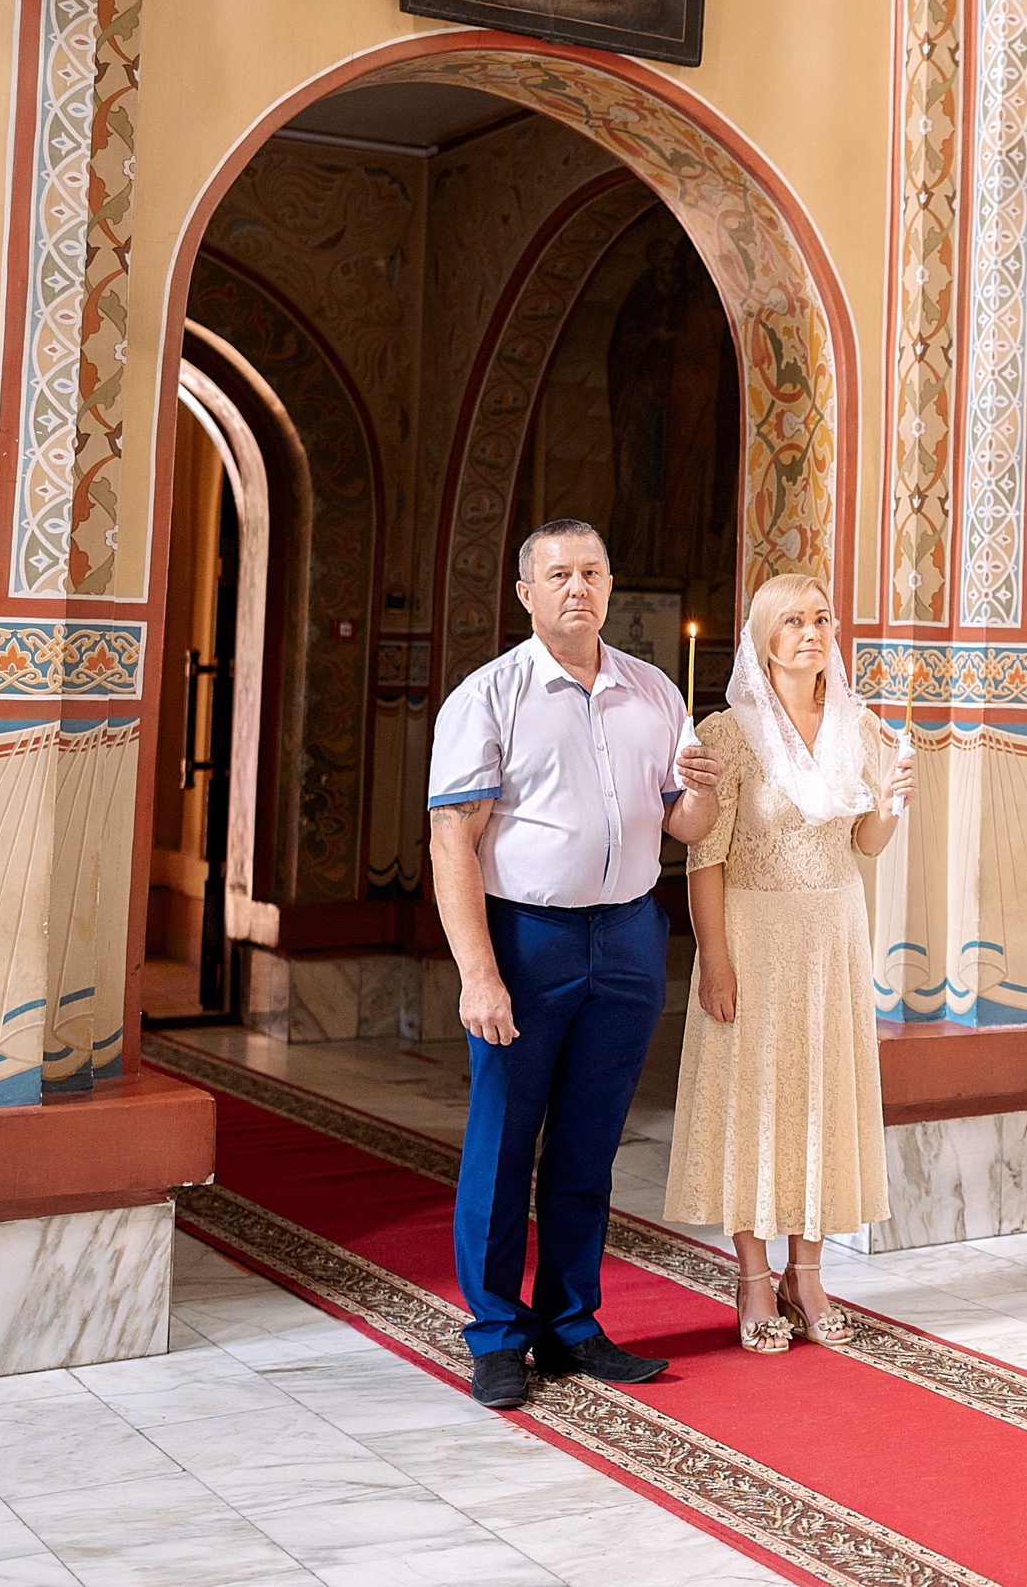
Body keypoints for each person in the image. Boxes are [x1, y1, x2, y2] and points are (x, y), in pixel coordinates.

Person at [426, 519, 721, 1410]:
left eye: (591, 571)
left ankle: (571, 1321)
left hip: (630, 934)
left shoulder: (655, 691)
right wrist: (480, 973)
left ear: (609, 581)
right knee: (505, 1140)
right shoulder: (489, 696)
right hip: (527, 937)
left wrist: (705, 793)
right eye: (558, 574)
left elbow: (684, 827)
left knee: (591, 1143)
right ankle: (495, 1334)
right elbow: (453, 844)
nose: (577, 588)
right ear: (526, 593)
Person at [663, 574, 912, 1352]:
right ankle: (751, 1277)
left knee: (820, 1099)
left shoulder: (860, 725)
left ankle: (808, 1274)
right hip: (755, 934)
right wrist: (714, 961)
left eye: (821, 618)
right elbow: (705, 860)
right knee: (755, 1099)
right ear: (764, 637)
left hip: (833, 933)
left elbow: (864, 846)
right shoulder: (729, 733)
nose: (812, 631)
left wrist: (890, 806)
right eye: (793, 620)